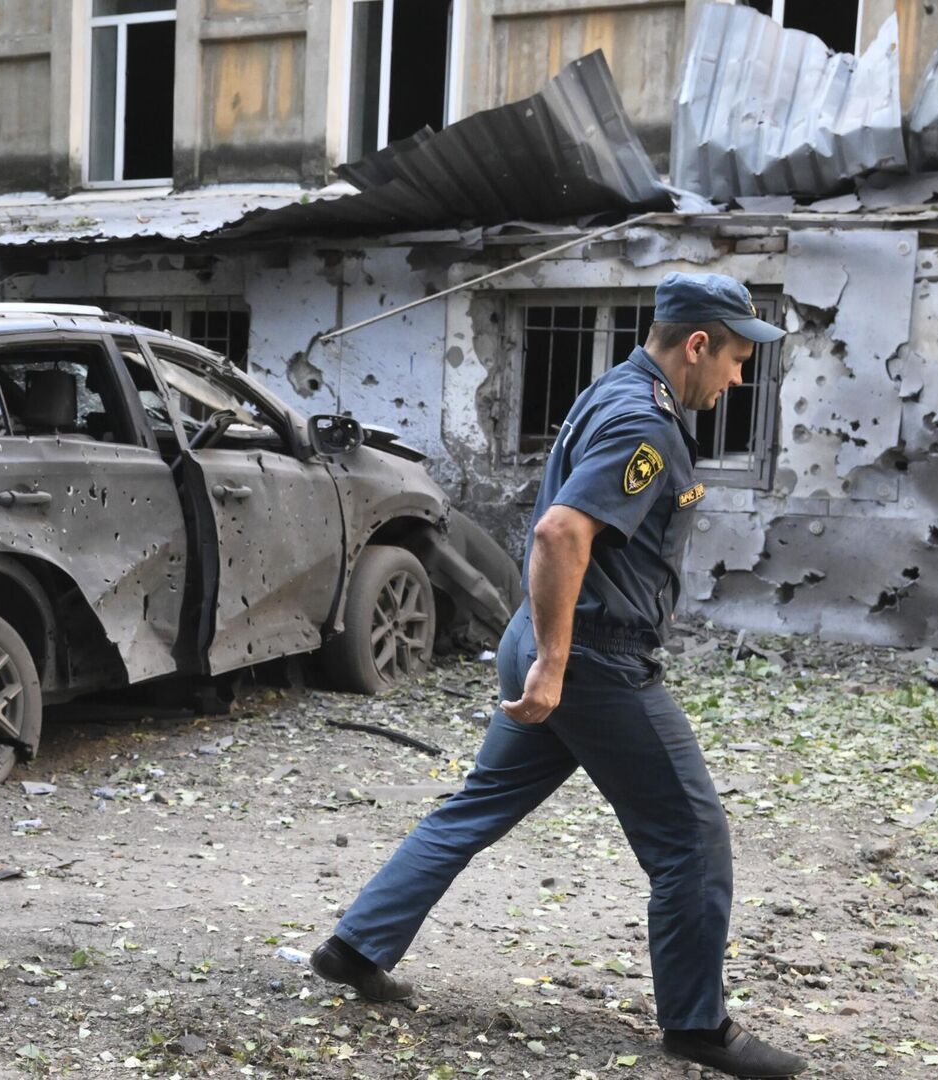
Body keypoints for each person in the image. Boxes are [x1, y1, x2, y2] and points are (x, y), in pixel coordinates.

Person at [309, 273, 807, 1078]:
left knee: (479, 803)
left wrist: (542, 651)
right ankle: (697, 1026)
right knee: (691, 837)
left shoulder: (614, 389)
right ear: (698, 344)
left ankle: (356, 945)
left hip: (552, 643)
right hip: (592, 661)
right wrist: (554, 663)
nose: (739, 378)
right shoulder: (644, 424)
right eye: (738, 359)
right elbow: (559, 532)